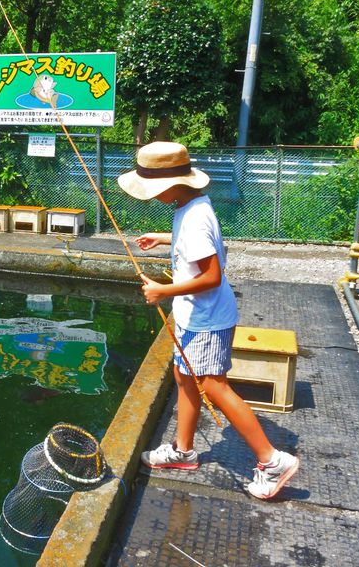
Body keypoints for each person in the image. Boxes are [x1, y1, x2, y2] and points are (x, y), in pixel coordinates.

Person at [117, 141, 299, 500]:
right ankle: (183, 451)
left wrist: (161, 291)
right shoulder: (190, 205)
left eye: (152, 188)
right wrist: (165, 239)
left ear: (171, 184)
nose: (150, 196)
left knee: (213, 386)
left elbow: (212, 275)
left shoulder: (196, 217)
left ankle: (272, 459)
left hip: (206, 319)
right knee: (183, 376)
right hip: (194, 317)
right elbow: (200, 246)